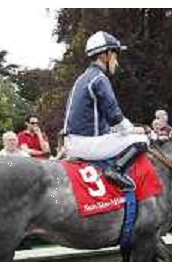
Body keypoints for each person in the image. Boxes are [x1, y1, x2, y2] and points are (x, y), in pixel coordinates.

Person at [62, 31, 149, 191]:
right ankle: (115, 171)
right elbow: (115, 116)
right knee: (141, 140)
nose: (117, 61)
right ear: (105, 55)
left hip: (73, 141)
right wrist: (133, 130)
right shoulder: (100, 78)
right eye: (115, 54)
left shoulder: (83, 78)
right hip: (86, 144)